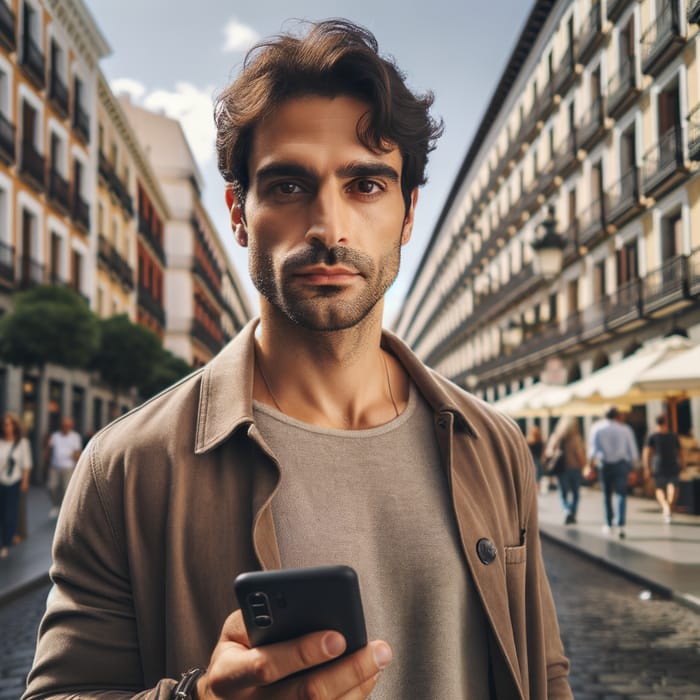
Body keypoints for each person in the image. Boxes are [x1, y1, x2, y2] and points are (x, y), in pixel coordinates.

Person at [24, 20, 572, 700]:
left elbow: (545, 676)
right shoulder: (126, 471)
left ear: (406, 216)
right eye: (288, 186)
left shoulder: (494, 448)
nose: (329, 227)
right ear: (238, 213)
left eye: (366, 185)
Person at [588, 406, 639, 539]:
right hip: (622, 464)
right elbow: (632, 450)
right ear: (617, 416)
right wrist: (633, 469)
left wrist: (590, 466)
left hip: (605, 464)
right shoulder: (625, 429)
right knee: (621, 493)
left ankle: (608, 523)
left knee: (606, 494)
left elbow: (593, 450)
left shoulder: (597, 428)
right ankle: (621, 524)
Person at [0, 413, 32, 558]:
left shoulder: (22, 443)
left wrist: (25, 481)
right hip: (1, 481)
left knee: (10, 514)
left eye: (10, 424)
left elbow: (26, 464)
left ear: (14, 426)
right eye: (5, 424)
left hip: (14, 482)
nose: (7, 427)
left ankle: (5, 544)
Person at [544, 418, 586, 525]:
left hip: (561, 469)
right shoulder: (576, 438)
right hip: (574, 468)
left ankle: (566, 510)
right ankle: (572, 512)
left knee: (563, 493)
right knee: (575, 493)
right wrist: (584, 466)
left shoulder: (556, 437)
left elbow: (549, 453)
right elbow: (580, 454)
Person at [643, 414, 683, 523]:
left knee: (663, 488)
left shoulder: (654, 436)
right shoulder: (668, 436)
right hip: (666, 464)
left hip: (661, 465)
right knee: (668, 487)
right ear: (666, 422)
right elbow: (680, 452)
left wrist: (647, 467)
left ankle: (667, 507)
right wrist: (682, 462)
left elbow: (647, 453)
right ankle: (667, 506)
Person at [45, 417, 82, 517]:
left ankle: (64, 509)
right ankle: (56, 505)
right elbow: (49, 450)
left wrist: (74, 457)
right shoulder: (55, 436)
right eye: (64, 426)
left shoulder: (75, 437)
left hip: (68, 467)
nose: (66, 428)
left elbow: (78, 453)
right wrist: (46, 461)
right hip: (55, 466)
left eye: (68, 426)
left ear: (71, 427)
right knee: (51, 487)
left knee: (66, 489)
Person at [526, 424, 545, 490]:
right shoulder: (541, 442)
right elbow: (543, 454)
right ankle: (537, 490)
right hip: (538, 462)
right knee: (538, 479)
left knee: (532, 478)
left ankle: (533, 491)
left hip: (531, 462)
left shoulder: (528, 442)